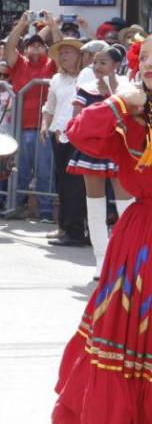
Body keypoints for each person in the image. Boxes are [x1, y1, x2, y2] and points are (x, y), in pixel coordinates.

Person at [52, 61, 152, 424]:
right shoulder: (132, 119)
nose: (149, 69)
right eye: (146, 62)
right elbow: (78, 132)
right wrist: (117, 103)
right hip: (144, 237)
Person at [66, 43, 132, 277]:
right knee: (94, 206)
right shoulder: (85, 88)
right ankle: (101, 260)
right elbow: (76, 120)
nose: (97, 67)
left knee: (126, 207)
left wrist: (111, 93)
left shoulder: (128, 88)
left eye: (103, 62)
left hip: (119, 150)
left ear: (116, 65)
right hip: (92, 151)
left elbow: (131, 120)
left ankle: (128, 258)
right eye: (95, 62)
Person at [5, 12, 58, 222]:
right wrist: (21, 25)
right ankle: (17, 206)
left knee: (45, 171)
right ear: (26, 49)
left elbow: (61, 48)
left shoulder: (51, 65)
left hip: (42, 127)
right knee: (20, 171)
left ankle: (45, 212)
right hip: (20, 128)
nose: (36, 47)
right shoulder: (20, 63)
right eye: (32, 45)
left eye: (39, 45)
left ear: (45, 48)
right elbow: (10, 47)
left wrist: (53, 26)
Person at [43, 37, 89, 246]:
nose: (63, 56)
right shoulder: (56, 79)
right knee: (61, 182)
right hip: (59, 135)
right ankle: (63, 226)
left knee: (75, 185)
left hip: (80, 136)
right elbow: (50, 105)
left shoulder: (87, 78)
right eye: (61, 53)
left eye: (68, 52)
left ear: (79, 55)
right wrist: (45, 125)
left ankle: (75, 231)